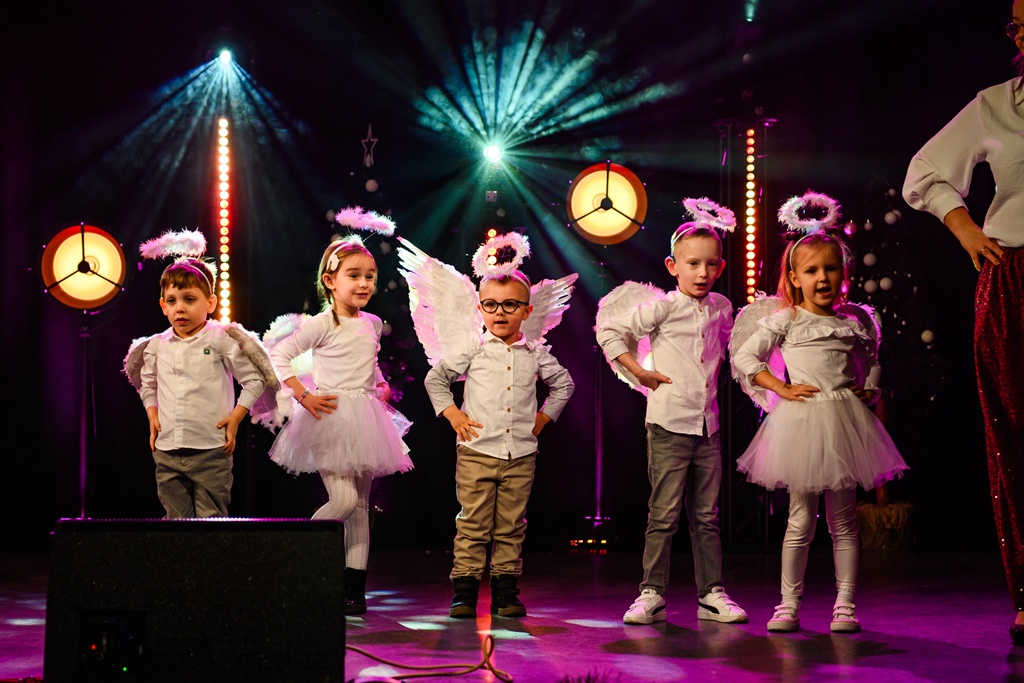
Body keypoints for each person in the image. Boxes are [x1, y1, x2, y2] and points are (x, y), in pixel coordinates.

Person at [731, 191, 908, 634]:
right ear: (795, 277)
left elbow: (871, 360)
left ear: (843, 273)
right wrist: (780, 387)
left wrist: (870, 389)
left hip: (844, 421)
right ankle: (788, 603)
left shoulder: (853, 321)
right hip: (803, 423)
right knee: (799, 520)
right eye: (812, 271)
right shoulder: (787, 319)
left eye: (830, 269)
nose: (823, 278)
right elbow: (746, 357)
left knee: (843, 522)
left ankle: (845, 604)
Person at [902, 4, 1024, 645]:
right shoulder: (997, 104)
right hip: (1012, 277)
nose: (1019, 31)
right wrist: (966, 228)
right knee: (1016, 436)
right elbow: (924, 173)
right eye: (1014, 23)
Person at [399, 232, 576, 619]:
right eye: (491, 305)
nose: (500, 313)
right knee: (473, 523)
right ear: (480, 309)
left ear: (527, 311)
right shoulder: (473, 349)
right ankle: (464, 590)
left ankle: (505, 591)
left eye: (510, 305)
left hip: (520, 454)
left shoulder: (535, 353)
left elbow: (564, 384)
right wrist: (453, 414)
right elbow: (436, 378)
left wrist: (544, 417)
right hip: (477, 451)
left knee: (511, 525)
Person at [595, 197, 748, 626]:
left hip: (708, 426)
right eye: (693, 264)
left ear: (720, 267)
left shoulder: (721, 308)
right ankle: (651, 593)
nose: (702, 273)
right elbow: (610, 332)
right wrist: (638, 371)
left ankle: (711, 593)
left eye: (711, 264)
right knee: (663, 514)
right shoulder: (663, 306)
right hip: (668, 424)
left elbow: (730, 348)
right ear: (673, 266)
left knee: (706, 517)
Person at [264, 234, 413, 616]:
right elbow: (280, 355)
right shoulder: (322, 323)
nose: (363, 284)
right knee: (344, 501)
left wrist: (381, 384)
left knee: (360, 506)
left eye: (369, 276)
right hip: (331, 417)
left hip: (365, 416)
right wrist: (303, 395)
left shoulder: (372, 324)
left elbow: (370, 363)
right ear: (330, 281)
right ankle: (296, 556)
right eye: (354, 275)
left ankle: (353, 589)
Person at [123, 229, 278, 519]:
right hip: (167, 450)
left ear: (210, 303)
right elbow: (147, 384)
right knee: (176, 522)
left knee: (210, 521)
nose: (180, 308)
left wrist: (235, 417)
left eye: (189, 299)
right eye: (172, 301)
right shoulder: (157, 345)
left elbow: (254, 379)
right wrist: (152, 412)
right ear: (163, 306)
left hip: (210, 450)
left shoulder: (219, 338)